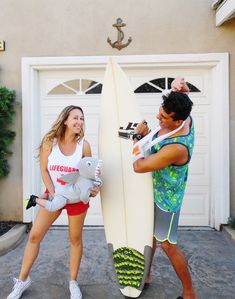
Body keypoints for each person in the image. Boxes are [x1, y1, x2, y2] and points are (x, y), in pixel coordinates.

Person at [7, 105, 100, 299]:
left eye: (82, 119)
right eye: (75, 118)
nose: (79, 122)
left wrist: (94, 188)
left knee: (75, 240)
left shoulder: (84, 145)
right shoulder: (50, 142)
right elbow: (44, 170)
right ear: (65, 120)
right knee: (34, 236)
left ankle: (73, 282)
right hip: (54, 194)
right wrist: (53, 193)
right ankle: (22, 280)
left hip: (76, 199)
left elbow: (89, 174)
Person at [132, 78, 197, 299]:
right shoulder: (184, 116)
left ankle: (189, 293)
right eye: (159, 113)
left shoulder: (176, 148)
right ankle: (146, 277)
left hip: (166, 202)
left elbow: (139, 166)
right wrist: (181, 87)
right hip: (153, 192)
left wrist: (137, 138)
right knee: (147, 237)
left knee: (168, 246)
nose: (158, 118)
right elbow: (184, 95)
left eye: (163, 117)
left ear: (178, 121)